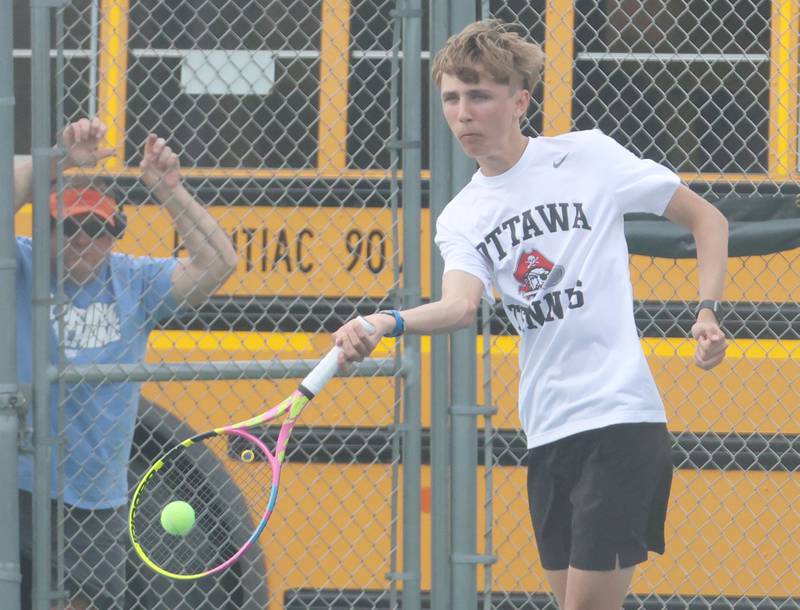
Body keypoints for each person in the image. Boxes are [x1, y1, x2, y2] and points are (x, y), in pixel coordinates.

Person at [333, 19, 729, 610]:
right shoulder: (462, 216)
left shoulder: (589, 156)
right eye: (451, 98)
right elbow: (460, 305)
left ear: (519, 101)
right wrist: (384, 323)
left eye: (479, 96)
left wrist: (707, 311)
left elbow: (709, 220)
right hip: (547, 432)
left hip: (621, 423)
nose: (463, 113)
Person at [14, 117, 238, 609]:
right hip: (17, 485)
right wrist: (58, 159)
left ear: (114, 234)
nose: (84, 239)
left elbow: (219, 264)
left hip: (94, 498)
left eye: (98, 229)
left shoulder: (134, 281)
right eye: (71, 226)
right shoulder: (21, 265)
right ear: (47, 227)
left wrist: (169, 190)